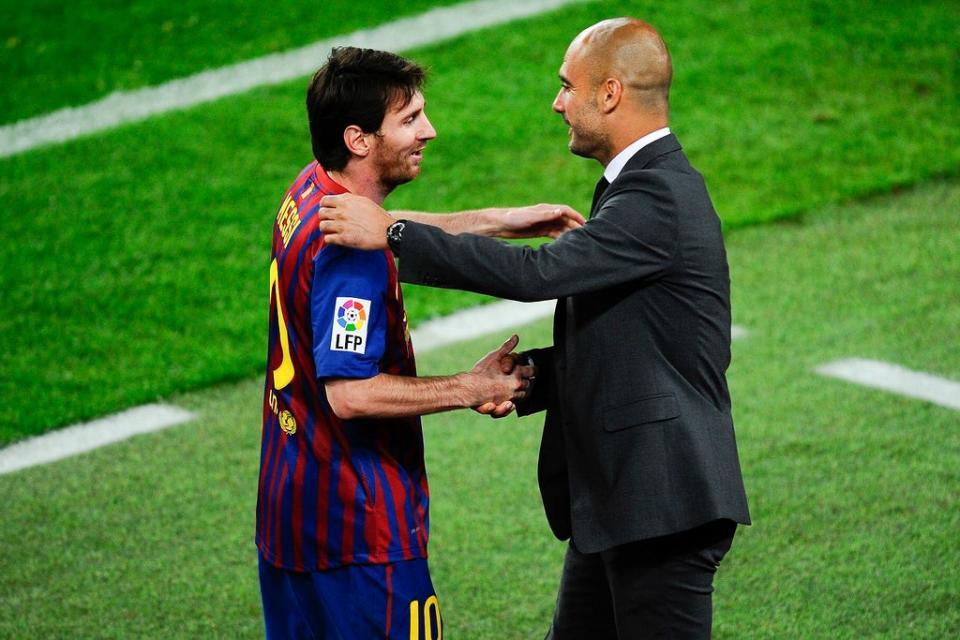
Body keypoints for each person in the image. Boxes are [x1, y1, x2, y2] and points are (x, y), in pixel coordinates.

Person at [316, 19, 751, 639]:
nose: (557, 103)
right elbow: (638, 340)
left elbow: (535, 274)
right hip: (622, 499)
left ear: (609, 94)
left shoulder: (659, 197)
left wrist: (391, 233)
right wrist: (530, 380)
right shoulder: (638, 187)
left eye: (567, 87)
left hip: (663, 500)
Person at [257, 46, 581, 639]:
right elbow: (350, 395)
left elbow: (387, 225)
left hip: (291, 513)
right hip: (359, 533)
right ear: (358, 139)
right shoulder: (350, 252)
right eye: (409, 120)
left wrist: (500, 220)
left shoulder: (311, 192)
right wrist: (470, 386)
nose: (428, 132)